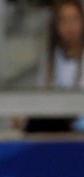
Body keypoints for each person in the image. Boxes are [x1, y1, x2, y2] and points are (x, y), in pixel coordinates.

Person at [26, 0, 84, 133]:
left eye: (74, 20)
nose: (70, 27)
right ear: (56, 26)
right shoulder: (49, 60)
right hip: (55, 124)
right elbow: (40, 98)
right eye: (64, 21)